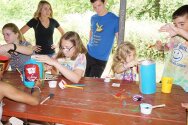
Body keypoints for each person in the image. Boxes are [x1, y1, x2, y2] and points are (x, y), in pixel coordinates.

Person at [155, 5, 188, 92]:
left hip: (184, 86)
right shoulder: (175, 36)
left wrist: (178, 31)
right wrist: (161, 47)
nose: (178, 27)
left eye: (181, 24)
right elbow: (169, 48)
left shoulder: (179, 33)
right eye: (175, 24)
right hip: (168, 79)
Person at [85, 0, 119, 78]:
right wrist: (89, 42)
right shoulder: (93, 18)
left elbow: (119, 40)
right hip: (89, 54)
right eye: (94, 7)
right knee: (84, 79)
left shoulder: (115, 19)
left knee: (93, 84)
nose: (97, 9)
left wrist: (118, 57)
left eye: (99, 5)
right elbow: (92, 30)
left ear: (105, 2)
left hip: (101, 59)